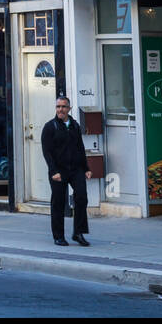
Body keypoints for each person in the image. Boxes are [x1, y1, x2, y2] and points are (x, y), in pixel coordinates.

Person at [41, 96, 93, 247]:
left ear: (69, 108)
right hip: (58, 171)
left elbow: (80, 148)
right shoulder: (50, 127)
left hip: (76, 169)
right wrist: (53, 171)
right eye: (58, 107)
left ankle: (78, 233)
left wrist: (86, 168)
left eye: (63, 107)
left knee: (82, 197)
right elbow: (47, 152)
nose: (60, 110)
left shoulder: (74, 126)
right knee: (58, 202)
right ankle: (58, 236)